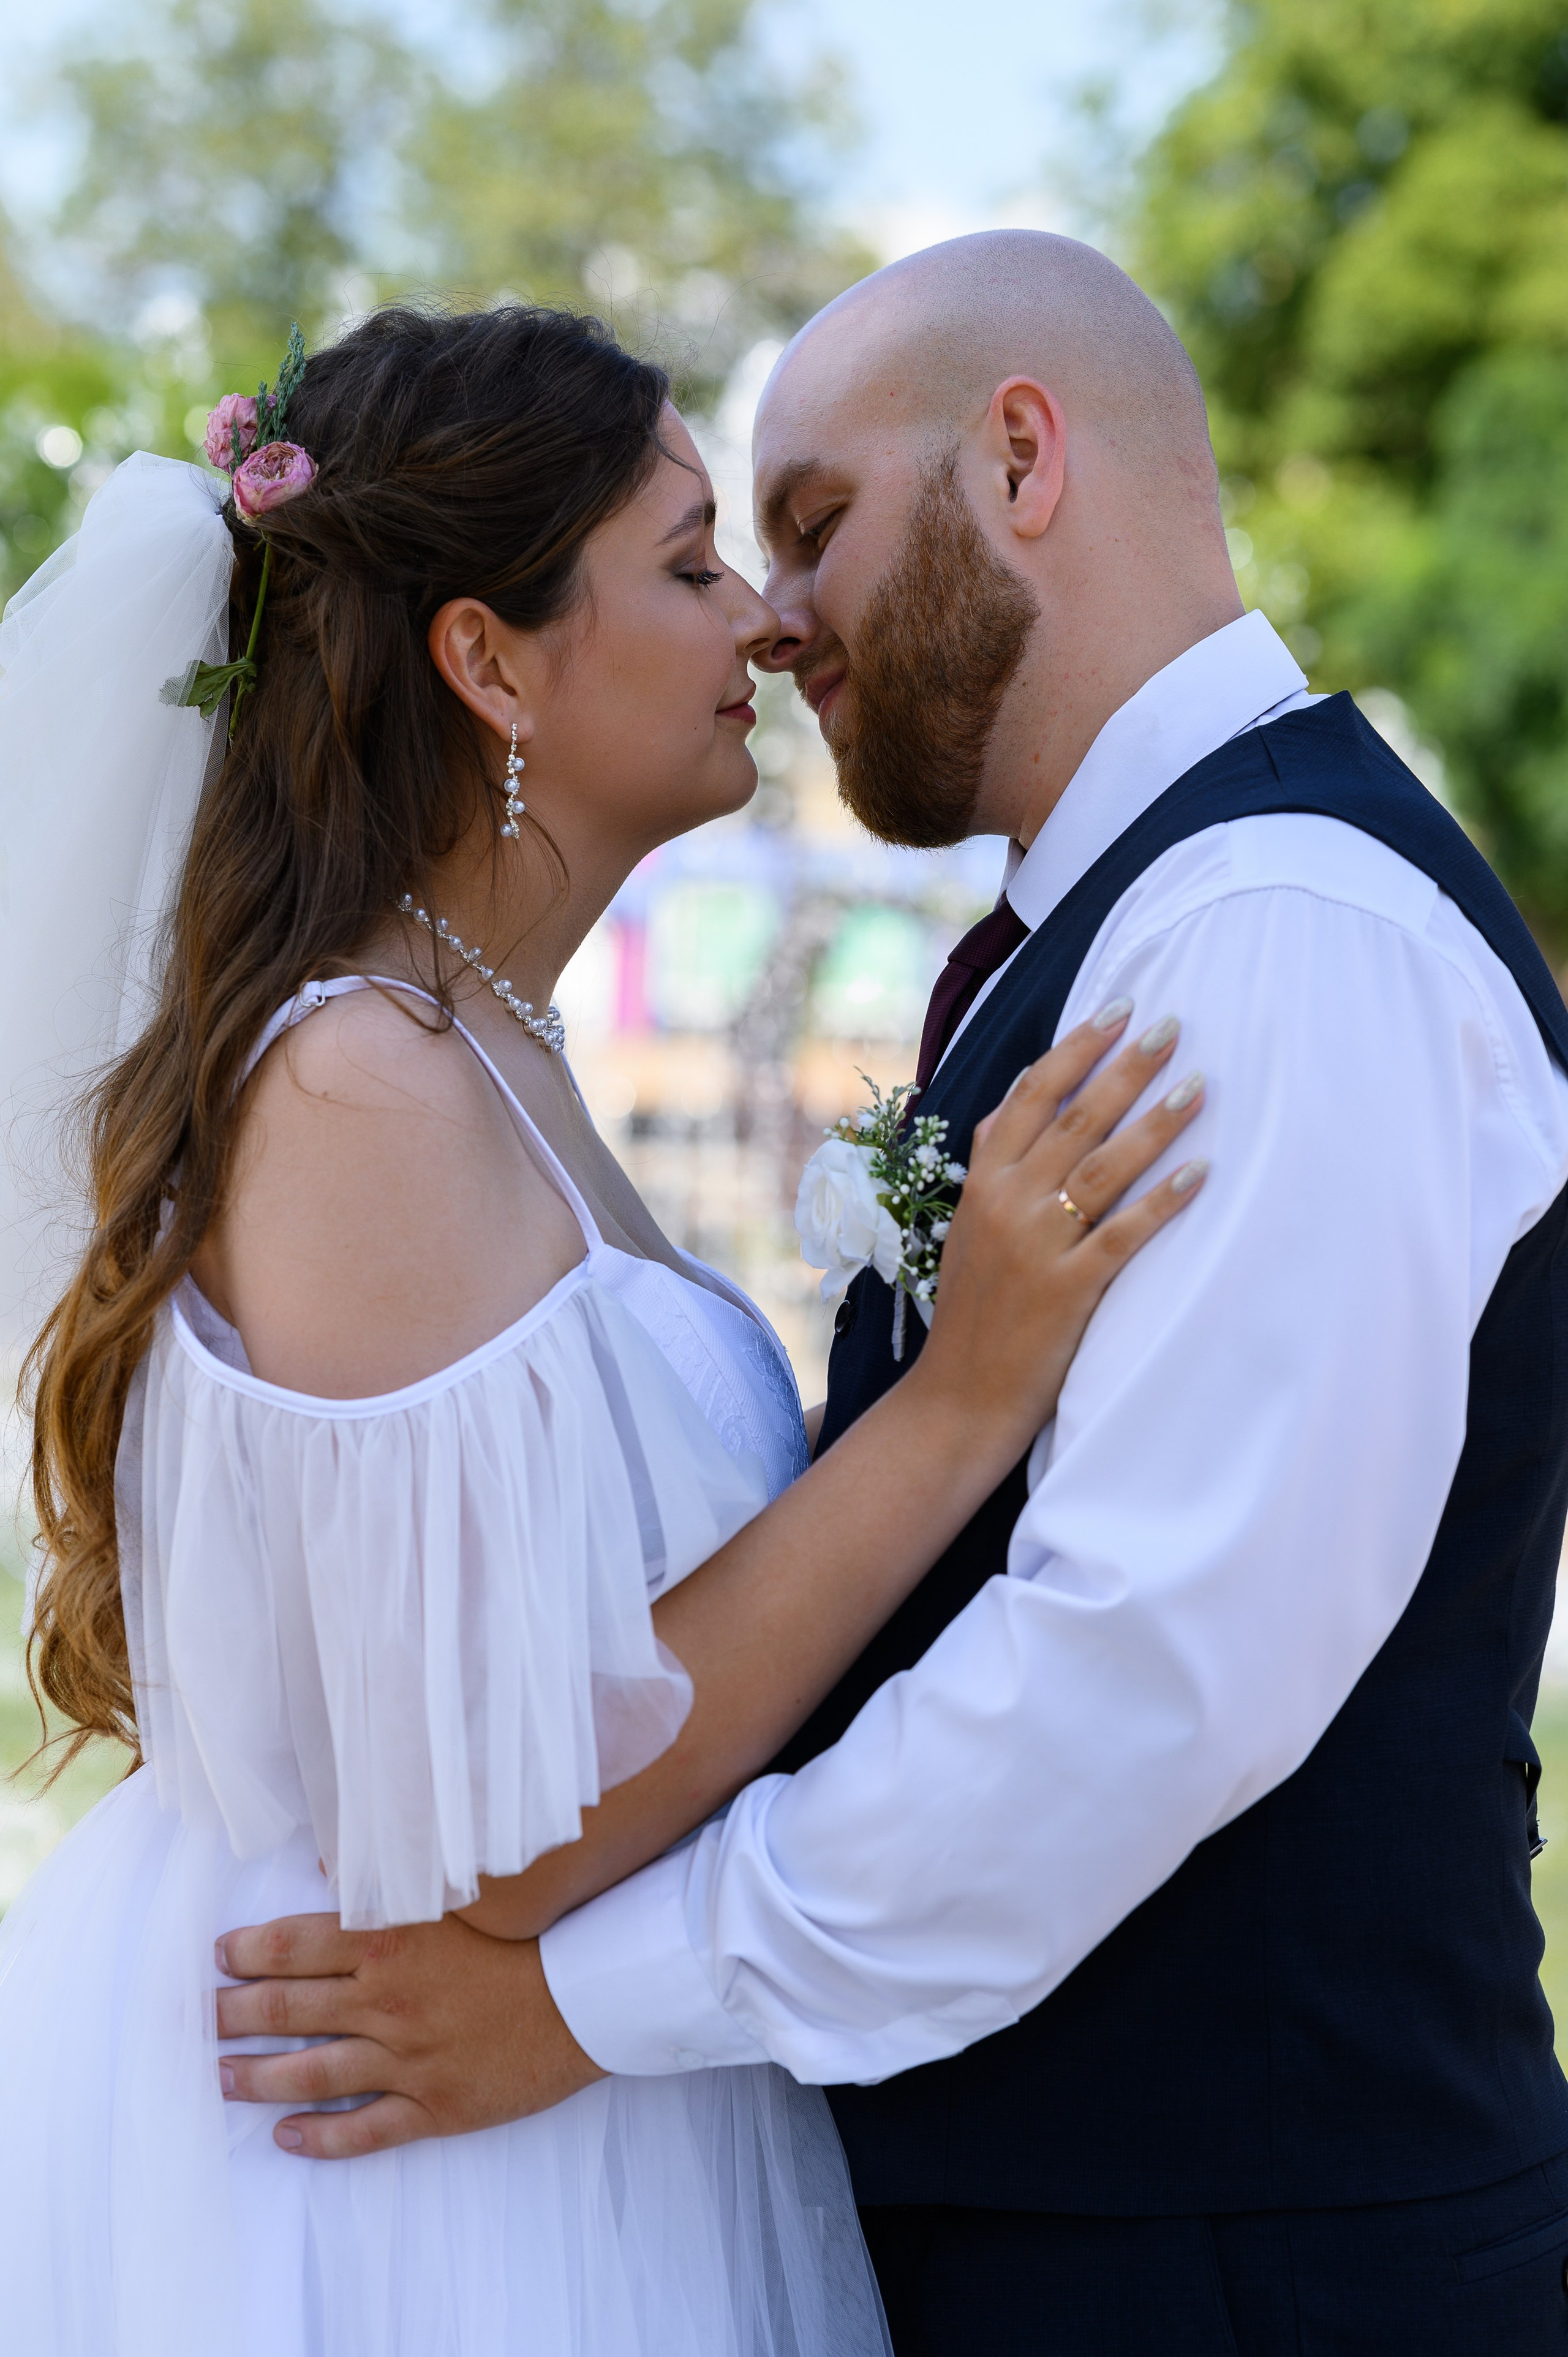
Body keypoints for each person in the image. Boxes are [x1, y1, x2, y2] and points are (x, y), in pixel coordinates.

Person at [221, 235, 1568, 2355]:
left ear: (1021, 455)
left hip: (1255, 2262)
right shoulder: (1117, 930)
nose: (781, 620)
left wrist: (581, 2005)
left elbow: (1140, 1675)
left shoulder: (1282, 935)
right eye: (723, 562)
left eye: (814, 529)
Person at [0, 303, 1206, 2354]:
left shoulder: (486, 1044)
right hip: (383, 2154)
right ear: (487, 661)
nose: (762, 619)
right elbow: (489, 1821)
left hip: (549, 2092)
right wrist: (969, 1397)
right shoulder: (358, 1088)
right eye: (690, 560)